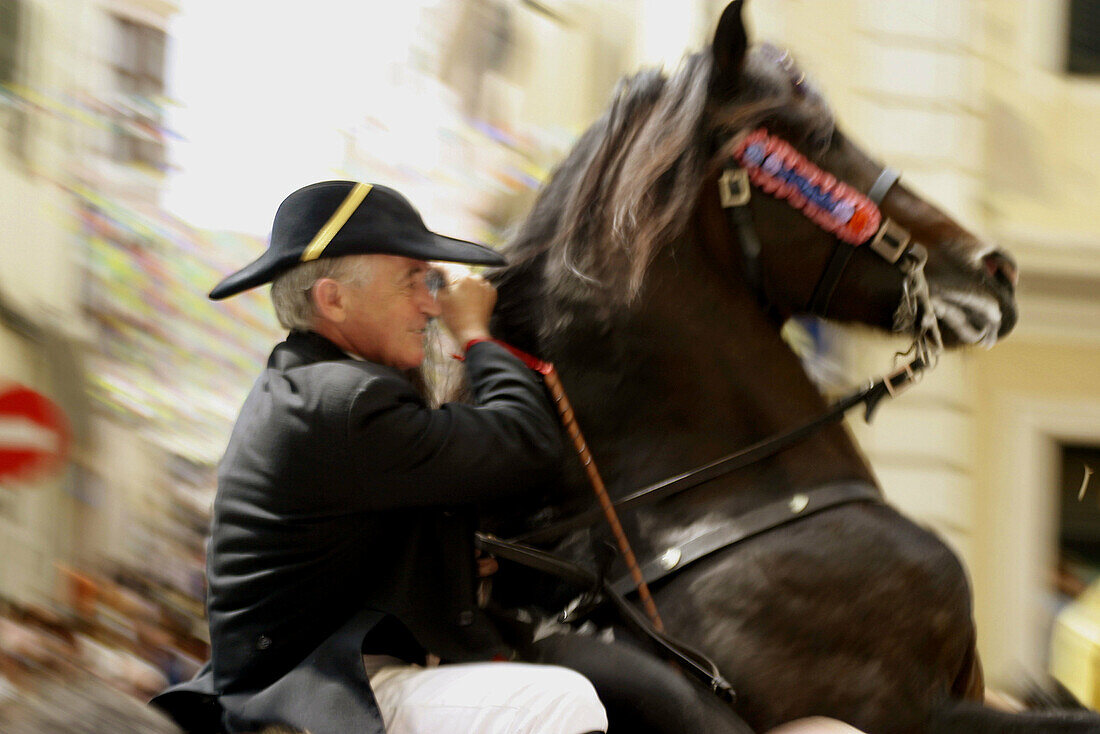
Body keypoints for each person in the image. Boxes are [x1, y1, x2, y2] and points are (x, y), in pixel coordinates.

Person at [152, 181, 607, 734]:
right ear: (332, 299)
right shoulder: (344, 399)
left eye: (429, 280)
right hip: (319, 689)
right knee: (560, 703)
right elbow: (524, 444)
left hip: (340, 670)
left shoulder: (312, 386)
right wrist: (475, 335)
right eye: (410, 281)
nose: (430, 302)